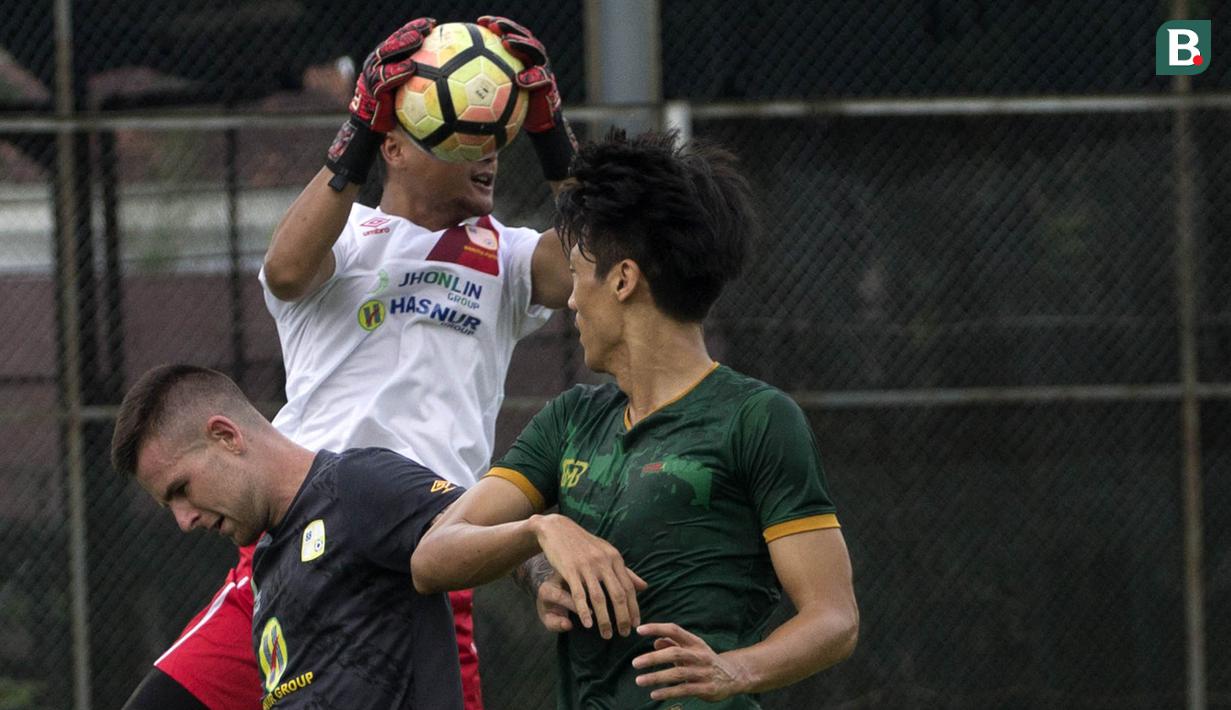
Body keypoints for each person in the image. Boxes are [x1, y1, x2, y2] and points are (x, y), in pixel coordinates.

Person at [119, 16, 575, 710]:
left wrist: (552, 137)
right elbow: (287, 267)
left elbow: (601, 267)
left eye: (496, 132)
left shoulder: (509, 255)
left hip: (424, 548)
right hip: (300, 538)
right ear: (392, 145)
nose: (486, 150)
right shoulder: (344, 236)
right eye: (459, 130)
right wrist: (359, 121)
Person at [411, 130, 860, 709]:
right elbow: (430, 558)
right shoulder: (570, 420)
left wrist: (732, 670)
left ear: (623, 280)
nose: (570, 301)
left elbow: (834, 618)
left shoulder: (757, 419)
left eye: (577, 275)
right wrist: (540, 539)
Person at [110, 364, 467, 709]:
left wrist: (527, 550)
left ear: (226, 436)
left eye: (182, 488)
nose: (184, 521)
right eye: (169, 504)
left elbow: (482, 519)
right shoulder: (267, 563)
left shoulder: (356, 483)